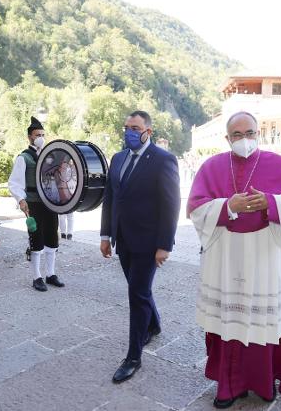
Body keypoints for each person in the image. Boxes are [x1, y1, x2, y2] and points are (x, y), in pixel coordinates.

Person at [188, 111, 281, 407]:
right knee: (228, 324)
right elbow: (195, 207)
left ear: (259, 133)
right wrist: (228, 205)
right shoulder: (211, 166)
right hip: (225, 257)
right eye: (237, 135)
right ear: (227, 138)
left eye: (249, 133)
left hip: (264, 256)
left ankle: (262, 383)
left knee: (261, 322)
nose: (244, 140)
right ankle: (228, 387)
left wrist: (270, 202)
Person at [100, 110, 180, 383]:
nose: (129, 132)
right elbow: (110, 199)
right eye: (126, 126)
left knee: (136, 293)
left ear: (148, 131)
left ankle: (133, 356)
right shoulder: (118, 158)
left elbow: (171, 204)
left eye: (135, 127)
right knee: (140, 290)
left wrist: (164, 244)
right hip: (123, 239)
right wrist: (104, 235)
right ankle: (154, 324)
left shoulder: (163, 160)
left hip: (148, 242)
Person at [8, 117, 64, 292]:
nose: (40, 137)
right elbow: (14, 182)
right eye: (37, 134)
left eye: (42, 134)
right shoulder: (23, 158)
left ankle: (51, 274)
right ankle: (36, 277)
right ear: (29, 137)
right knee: (36, 239)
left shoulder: (50, 156)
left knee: (52, 237)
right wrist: (21, 199)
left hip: (50, 203)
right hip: (33, 203)